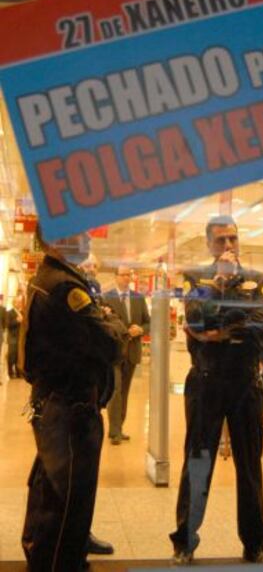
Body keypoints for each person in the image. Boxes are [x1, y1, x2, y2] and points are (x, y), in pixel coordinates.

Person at [170, 215, 263, 564]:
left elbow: (260, 326)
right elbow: (195, 317)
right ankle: (184, 541)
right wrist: (216, 287)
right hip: (207, 380)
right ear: (209, 244)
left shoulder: (259, 280)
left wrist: (218, 331)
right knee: (198, 462)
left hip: (245, 382)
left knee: (249, 465)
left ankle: (255, 542)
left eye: (233, 239)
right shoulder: (194, 278)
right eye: (221, 241)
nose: (229, 246)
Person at [20, 226, 121, 572]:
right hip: (70, 408)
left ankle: (66, 543)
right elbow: (111, 343)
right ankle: (64, 559)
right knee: (68, 496)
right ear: (54, 243)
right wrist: (114, 324)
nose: (88, 239)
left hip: (56, 402)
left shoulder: (52, 277)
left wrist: (105, 320)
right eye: (77, 234)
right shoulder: (64, 287)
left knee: (56, 489)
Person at [103, 265, 150, 444]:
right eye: (122, 275)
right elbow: (105, 323)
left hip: (132, 352)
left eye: (128, 275)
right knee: (115, 390)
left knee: (124, 392)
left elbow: (148, 322)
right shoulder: (107, 298)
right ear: (116, 277)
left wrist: (141, 329)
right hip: (114, 352)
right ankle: (115, 431)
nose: (126, 278)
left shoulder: (138, 298)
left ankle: (119, 427)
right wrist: (123, 331)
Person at [6, 294, 24, 378]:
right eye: (18, 302)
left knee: (18, 356)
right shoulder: (10, 313)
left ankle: (18, 373)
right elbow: (8, 324)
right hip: (12, 337)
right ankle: (10, 372)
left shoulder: (22, 312)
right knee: (11, 355)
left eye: (20, 302)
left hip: (20, 337)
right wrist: (17, 321)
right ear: (14, 303)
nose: (20, 303)